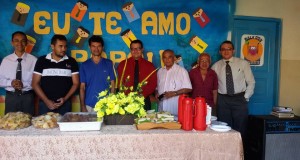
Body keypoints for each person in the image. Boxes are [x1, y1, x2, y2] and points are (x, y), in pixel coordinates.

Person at [211, 40, 255, 138]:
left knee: (240, 128)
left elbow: (251, 82)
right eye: (223, 49)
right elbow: (212, 85)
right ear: (220, 52)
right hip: (223, 100)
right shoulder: (215, 66)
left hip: (239, 99)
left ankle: (240, 152)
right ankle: (226, 152)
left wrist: (246, 97)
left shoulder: (243, 63)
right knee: (223, 127)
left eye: (229, 49)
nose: (226, 51)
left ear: (233, 51)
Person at [32, 34, 79, 115]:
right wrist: (46, 101)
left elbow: (76, 83)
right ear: (52, 46)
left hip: (65, 104)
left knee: (64, 127)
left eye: (65, 46)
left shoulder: (71, 61)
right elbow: (34, 83)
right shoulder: (42, 60)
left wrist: (65, 99)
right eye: (60, 46)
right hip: (45, 105)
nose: (63, 49)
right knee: (45, 126)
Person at [0, 31, 37, 115]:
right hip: (11, 97)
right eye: (16, 40)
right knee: (10, 123)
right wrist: (11, 83)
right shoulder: (6, 60)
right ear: (12, 43)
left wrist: (24, 84)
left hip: (27, 97)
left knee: (28, 121)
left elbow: (38, 81)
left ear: (26, 43)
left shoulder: (34, 60)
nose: (19, 43)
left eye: (23, 40)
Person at [117, 39, 157, 110]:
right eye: (133, 49)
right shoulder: (123, 64)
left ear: (142, 49)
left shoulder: (149, 65)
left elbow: (153, 84)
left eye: (138, 49)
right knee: (128, 121)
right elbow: (120, 83)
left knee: (145, 120)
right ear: (130, 50)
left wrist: (142, 94)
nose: (135, 51)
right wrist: (127, 95)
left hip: (144, 99)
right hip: (127, 100)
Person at [79, 35, 116, 112]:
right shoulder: (84, 65)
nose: (96, 49)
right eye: (93, 46)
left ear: (102, 47)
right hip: (89, 105)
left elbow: (113, 85)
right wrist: (82, 106)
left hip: (105, 105)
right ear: (89, 47)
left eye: (99, 46)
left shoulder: (109, 63)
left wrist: (111, 104)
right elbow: (82, 87)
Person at [156, 49, 192, 116]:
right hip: (161, 110)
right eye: (165, 57)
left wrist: (174, 93)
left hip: (175, 110)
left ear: (174, 58)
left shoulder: (182, 71)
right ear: (162, 59)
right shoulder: (160, 72)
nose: (167, 60)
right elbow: (157, 88)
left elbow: (188, 88)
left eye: (169, 57)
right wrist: (157, 94)